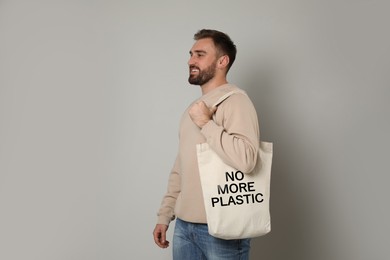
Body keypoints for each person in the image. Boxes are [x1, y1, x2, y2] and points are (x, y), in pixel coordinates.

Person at [153, 29, 260, 260]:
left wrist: (207, 124)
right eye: (191, 54)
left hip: (222, 230)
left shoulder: (236, 101)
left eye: (200, 54)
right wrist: (165, 215)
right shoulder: (194, 107)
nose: (191, 61)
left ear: (223, 61)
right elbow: (181, 167)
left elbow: (248, 159)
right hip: (184, 227)